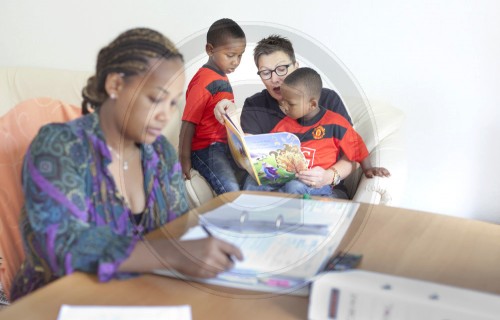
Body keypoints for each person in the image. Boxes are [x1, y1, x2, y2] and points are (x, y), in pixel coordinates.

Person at [10, 27, 242, 301]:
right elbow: (61, 246)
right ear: (115, 85)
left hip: (139, 298)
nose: (165, 115)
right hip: (57, 303)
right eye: (155, 99)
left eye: (172, 103)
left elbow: (177, 231)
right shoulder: (58, 146)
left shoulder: (161, 155)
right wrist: (170, 254)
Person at [215, 35, 356, 196]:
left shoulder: (326, 99)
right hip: (273, 188)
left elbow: (354, 156)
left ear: (296, 66)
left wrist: (329, 176)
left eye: (281, 69)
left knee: (296, 190)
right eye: (265, 73)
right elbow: (247, 158)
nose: (275, 79)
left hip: (323, 189)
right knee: (251, 185)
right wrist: (231, 117)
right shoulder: (255, 106)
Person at [245, 67, 390, 196]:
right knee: (252, 180)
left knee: (294, 187)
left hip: (318, 184)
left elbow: (357, 145)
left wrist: (369, 169)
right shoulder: (284, 125)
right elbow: (271, 150)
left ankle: (276, 209)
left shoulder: (335, 123)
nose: (284, 106)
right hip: (289, 178)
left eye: (291, 103)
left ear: (312, 104)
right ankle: (249, 212)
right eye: (283, 101)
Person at [179, 18, 247, 195]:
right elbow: (188, 122)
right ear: (210, 50)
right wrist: (184, 160)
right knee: (230, 189)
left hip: (225, 145)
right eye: (231, 55)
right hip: (206, 149)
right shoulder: (204, 80)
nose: (236, 61)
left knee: (253, 177)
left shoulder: (221, 76)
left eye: (240, 55)